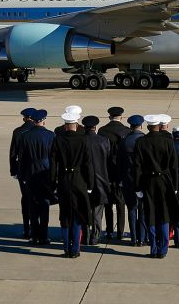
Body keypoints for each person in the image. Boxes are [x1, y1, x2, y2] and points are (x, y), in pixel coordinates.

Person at [134, 114, 179, 258]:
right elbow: (174, 165)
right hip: (165, 181)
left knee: (151, 214)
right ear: (159, 126)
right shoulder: (168, 141)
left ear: (148, 127)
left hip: (149, 181)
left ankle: (153, 249)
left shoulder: (141, 142)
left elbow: (137, 167)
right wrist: (175, 185)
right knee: (164, 215)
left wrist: (138, 187)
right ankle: (163, 249)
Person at [49, 111, 94, 257]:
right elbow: (88, 165)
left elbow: (53, 165)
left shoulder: (58, 140)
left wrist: (53, 183)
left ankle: (66, 248)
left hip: (63, 180)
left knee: (65, 215)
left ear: (65, 125)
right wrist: (90, 185)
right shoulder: (84, 140)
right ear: (76, 123)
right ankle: (75, 249)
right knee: (77, 215)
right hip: (79, 180)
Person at [14, 110, 55, 245]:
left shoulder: (25, 136)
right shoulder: (50, 135)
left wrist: (22, 175)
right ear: (43, 120)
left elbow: (22, 158)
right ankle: (43, 235)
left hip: (30, 173)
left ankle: (34, 234)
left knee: (32, 205)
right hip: (45, 173)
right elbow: (53, 158)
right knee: (44, 205)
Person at [99, 106, 131, 240]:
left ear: (109, 117)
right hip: (121, 172)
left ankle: (109, 230)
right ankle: (120, 232)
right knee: (120, 204)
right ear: (121, 117)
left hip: (106, 172)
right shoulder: (127, 131)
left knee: (107, 204)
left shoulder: (102, 130)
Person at [81, 115, 112, 245]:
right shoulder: (104, 141)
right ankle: (96, 236)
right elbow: (108, 162)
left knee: (84, 210)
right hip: (101, 180)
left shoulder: (81, 140)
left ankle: (86, 235)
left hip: (84, 181)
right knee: (98, 211)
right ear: (95, 127)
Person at [120, 113, 147, 245]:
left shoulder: (124, 140)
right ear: (141, 125)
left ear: (130, 126)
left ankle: (134, 238)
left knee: (131, 208)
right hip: (142, 178)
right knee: (142, 210)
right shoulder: (144, 140)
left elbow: (119, 161)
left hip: (128, 179)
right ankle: (142, 238)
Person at [10, 107, 37, 238]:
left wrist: (13, 171)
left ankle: (27, 228)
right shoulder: (37, 131)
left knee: (25, 198)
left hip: (22, 170)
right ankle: (36, 227)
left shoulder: (18, 131)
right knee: (37, 198)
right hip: (38, 170)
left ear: (24, 118)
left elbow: (13, 154)